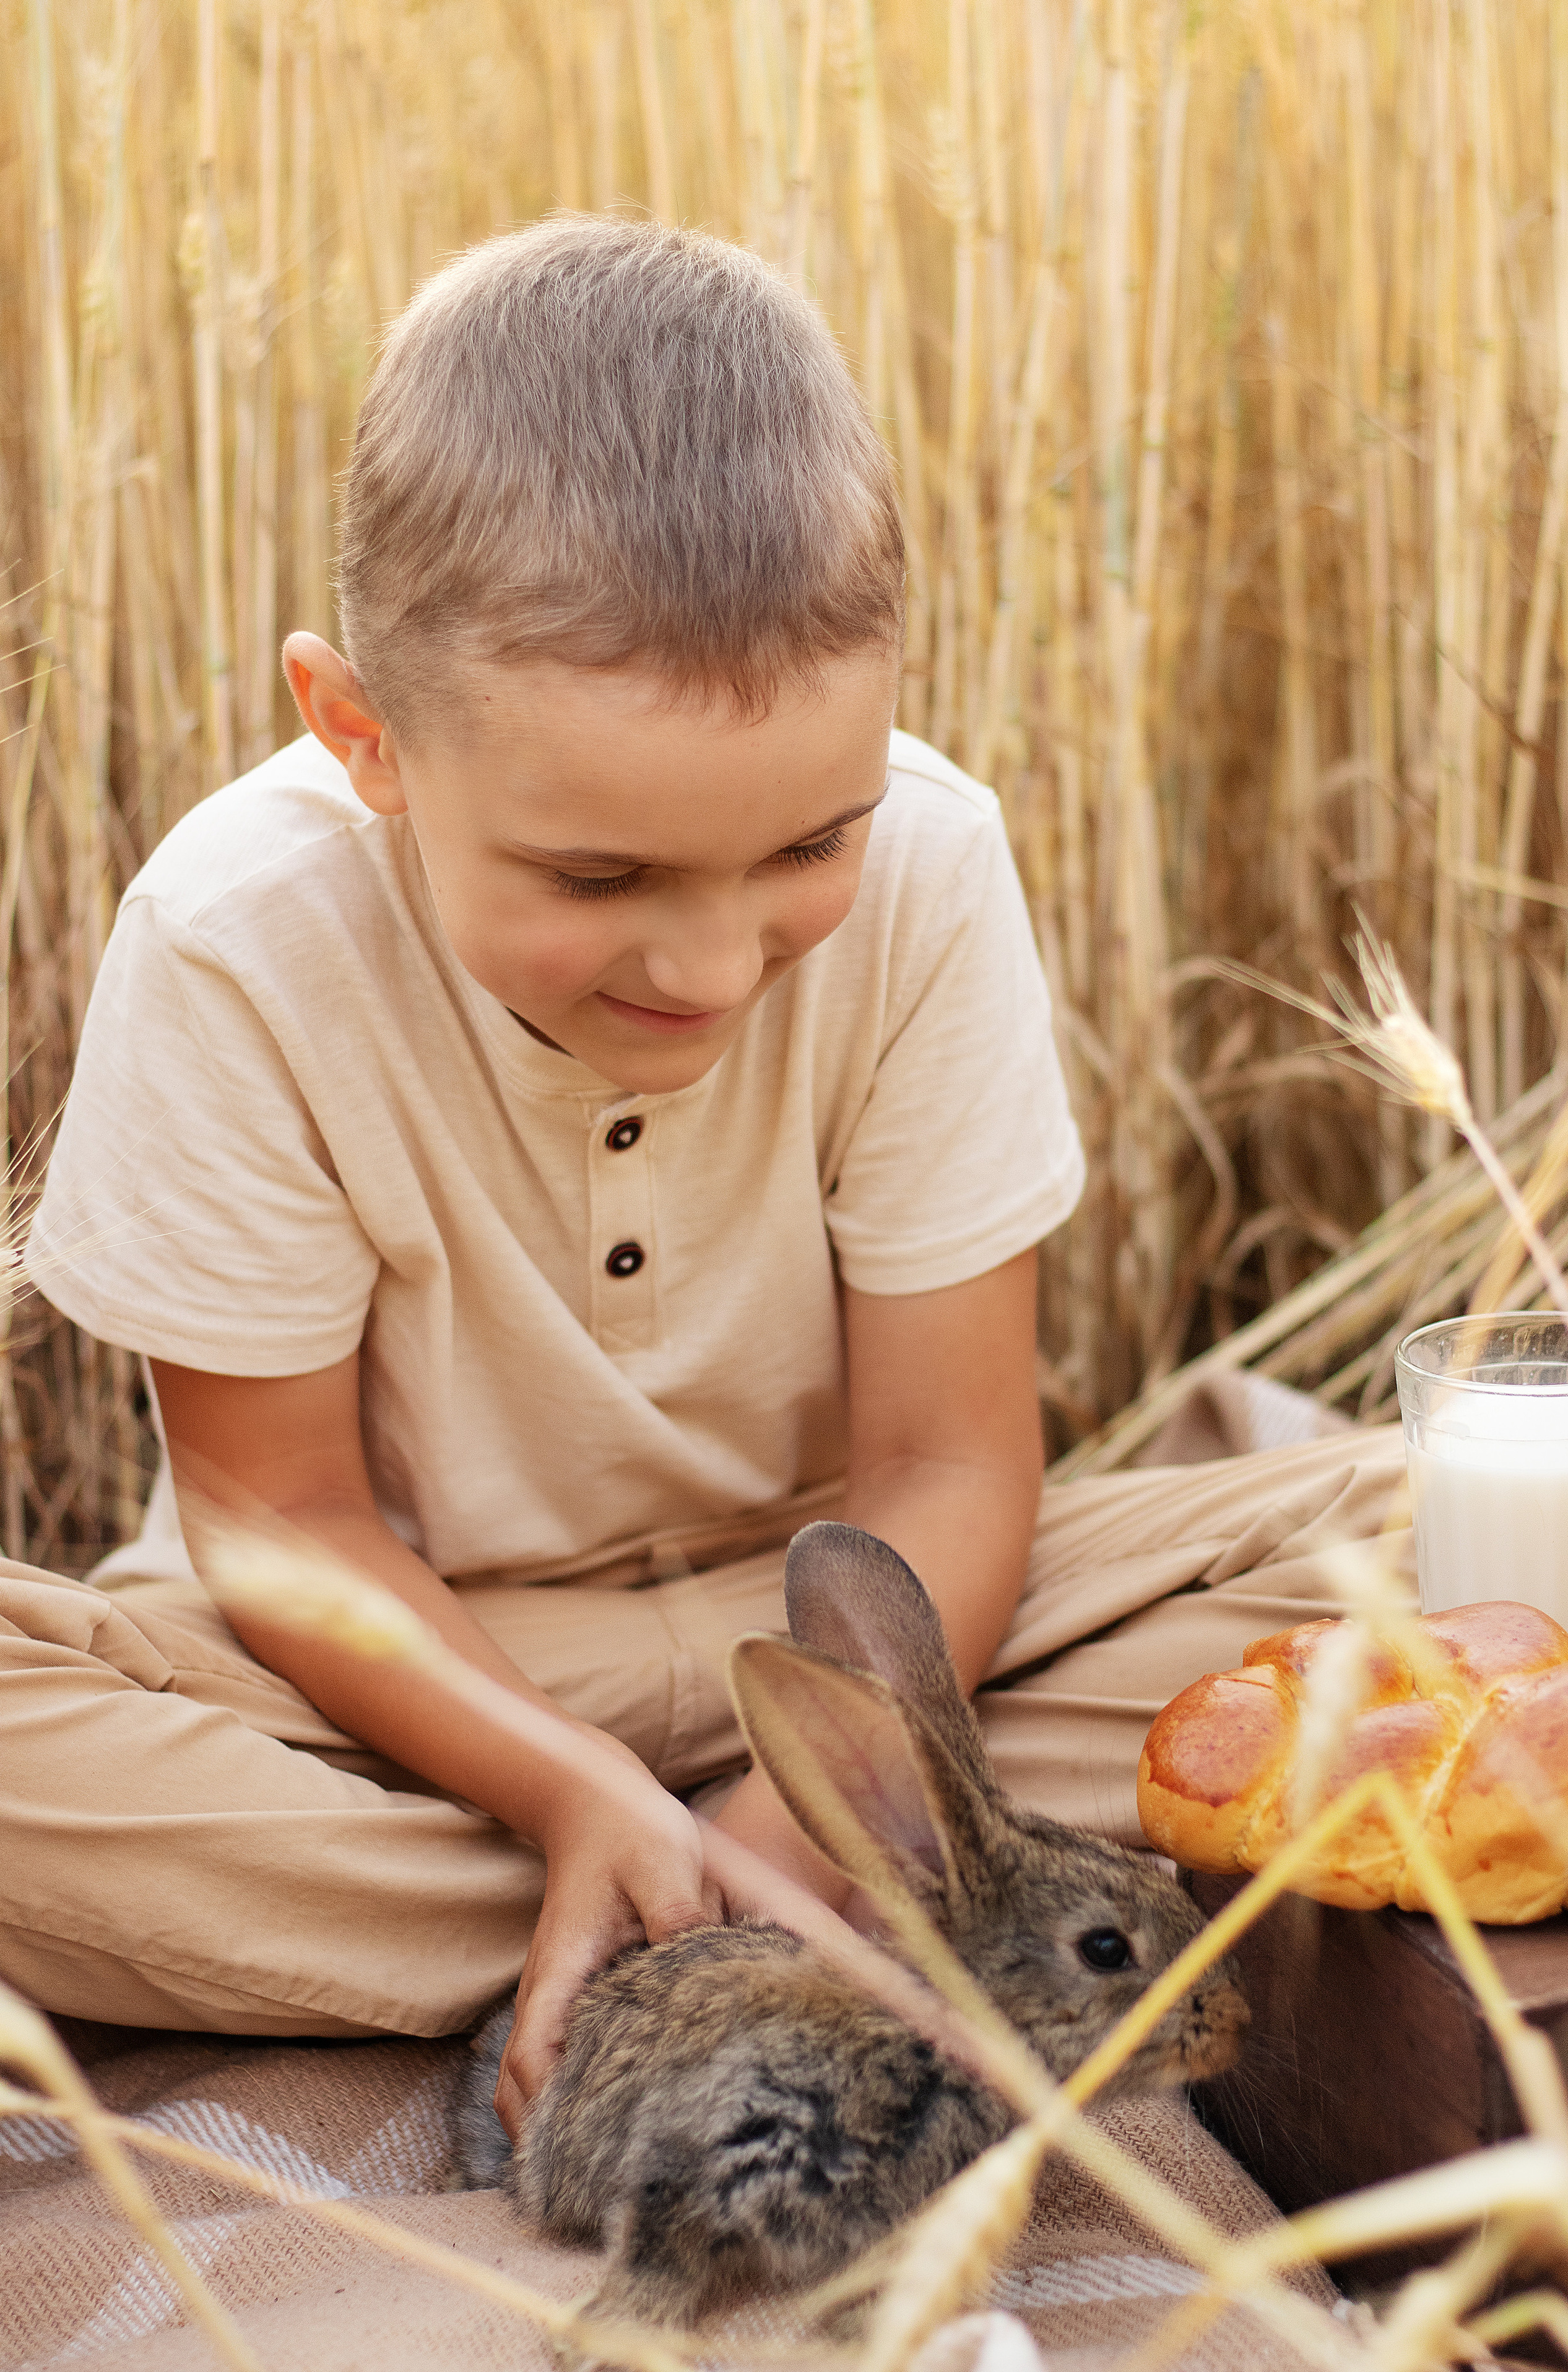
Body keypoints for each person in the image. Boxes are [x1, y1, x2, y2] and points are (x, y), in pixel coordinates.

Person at [7, 216, 1410, 2138]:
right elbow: (285, 1521)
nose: (714, 963)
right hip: (385, 1691)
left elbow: (946, 1467)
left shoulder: (934, 866)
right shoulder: (235, 940)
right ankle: (776, 1905)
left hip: (846, 1650)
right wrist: (569, 1784)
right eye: (600, 878)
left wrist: (806, 1799)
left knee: (1457, 1541)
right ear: (364, 735)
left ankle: (661, 1917)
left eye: (807, 847)